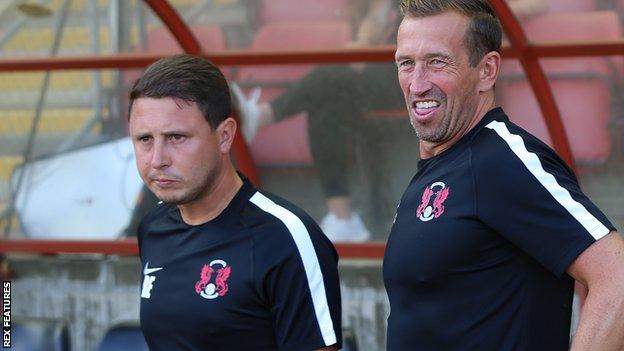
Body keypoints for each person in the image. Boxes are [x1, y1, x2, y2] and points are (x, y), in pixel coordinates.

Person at [383, 1, 624, 350]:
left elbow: (616, 275)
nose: (417, 84)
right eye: (407, 63)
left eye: (437, 62)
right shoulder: (442, 164)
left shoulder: (502, 160)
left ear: (487, 70)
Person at [232, 0, 549, 243]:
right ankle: (341, 216)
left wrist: (471, 11)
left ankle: (262, 116)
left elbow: (536, 4)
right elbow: (362, 47)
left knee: (329, 79)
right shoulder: (394, 7)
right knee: (326, 102)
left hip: (425, 74)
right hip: (391, 74)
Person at [128, 54, 342, 350]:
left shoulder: (286, 238)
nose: (157, 160)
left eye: (176, 137)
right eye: (144, 139)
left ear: (225, 136)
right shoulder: (153, 226)